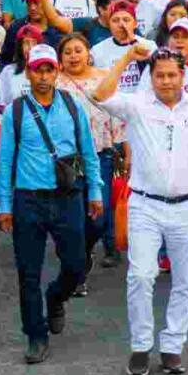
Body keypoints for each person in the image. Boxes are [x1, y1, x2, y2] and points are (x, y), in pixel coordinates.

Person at [92, 45, 188, 375]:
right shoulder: (137, 105)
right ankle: (141, 346)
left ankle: (172, 345)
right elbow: (99, 94)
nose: (166, 81)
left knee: (185, 281)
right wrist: (127, 58)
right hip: (145, 205)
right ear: (151, 77)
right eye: (160, 75)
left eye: (172, 75)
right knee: (141, 276)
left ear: (183, 75)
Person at [0, 43, 102, 365]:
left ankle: (56, 297)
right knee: (28, 273)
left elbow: (88, 151)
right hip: (28, 200)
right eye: (37, 69)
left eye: (48, 69)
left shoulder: (72, 105)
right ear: (28, 72)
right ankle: (35, 335)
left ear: (57, 72)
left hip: (68, 197)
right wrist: (4, 205)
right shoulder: (15, 111)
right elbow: (5, 161)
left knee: (76, 266)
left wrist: (95, 192)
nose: (43, 75)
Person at [56, 33, 124, 276]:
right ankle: (77, 268)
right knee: (72, 217)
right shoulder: (55, 83)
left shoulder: (104, 77)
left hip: (101, 154)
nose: (73, 56)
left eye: (78, 50)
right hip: (67, 160)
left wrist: (124, 150)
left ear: (88, 54)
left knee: (99, 216)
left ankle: (83, 251)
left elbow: (118, 115)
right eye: (67, 52)